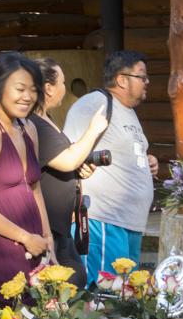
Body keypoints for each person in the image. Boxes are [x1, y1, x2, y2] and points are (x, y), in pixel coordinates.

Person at [63, 50, 158, 284]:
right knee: (103, 296)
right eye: (141, 76)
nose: (147, 82)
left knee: (124, 296)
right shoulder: (95, 103)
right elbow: (69, 151)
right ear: (122, 79)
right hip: (102, 219)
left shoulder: (127, 111)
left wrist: (146, 162)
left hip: (128, 223)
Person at [0, 52, 53, 307]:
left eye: (33, 90)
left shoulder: (29, 128)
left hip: (34, 239)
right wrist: (25, 237)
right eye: (20, 88)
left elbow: (35, 187)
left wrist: (48, 239)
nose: (27, 96)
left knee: (42, 317)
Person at [29, 58, 108, 288]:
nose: (65, 88)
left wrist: (79, 171)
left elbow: (66, 161)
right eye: (62, 82)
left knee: (75, 280)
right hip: (47, 225)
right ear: (49, 88)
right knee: (69, 283)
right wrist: (93, 130)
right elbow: (67, 159)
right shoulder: (35, 124)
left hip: (61, 223)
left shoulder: (46, 119)